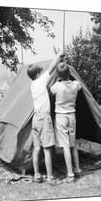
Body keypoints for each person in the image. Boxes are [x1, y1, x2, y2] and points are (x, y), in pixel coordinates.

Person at [27, 51, 65, 184]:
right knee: (48, 149)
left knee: (37, 148)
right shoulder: (40, 81)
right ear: (37, 74)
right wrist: (59, 55)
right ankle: (50, 178)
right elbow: (52, 67)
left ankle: (37, 175)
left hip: (35, 119)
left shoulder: (32, 85)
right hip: (44, 118)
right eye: (39, 72)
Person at [50, 62, 82, 183]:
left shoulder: (56, 86)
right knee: (73, 145)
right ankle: (77, 170)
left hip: (61, 117)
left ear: (58, 75)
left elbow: (50, 91)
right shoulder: (76, 85)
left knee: (65, 146)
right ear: (69, 73)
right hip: (72, 116)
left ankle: (70, 174)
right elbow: (78, 83)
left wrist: (58, 76)